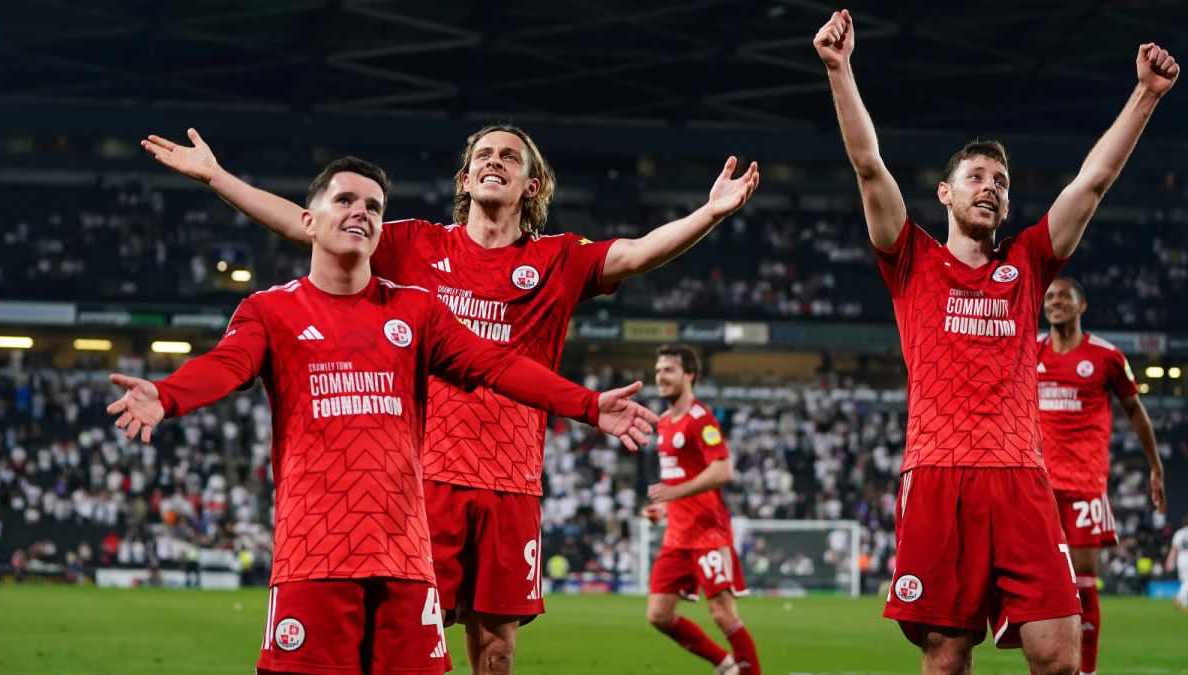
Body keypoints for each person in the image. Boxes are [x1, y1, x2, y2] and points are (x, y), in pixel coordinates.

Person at [140, 124, 758, 674]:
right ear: (465, 178)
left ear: (532, 184)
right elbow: (312, 224)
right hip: (422, 482)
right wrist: (218, 178)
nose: (495, 161)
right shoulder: (413, 246)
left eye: (510, 157)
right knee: (409, 639)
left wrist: (708, 215)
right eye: (483, 154)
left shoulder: (557, 259)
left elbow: (637, 253)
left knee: (498, 651)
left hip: (512, 481)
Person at [813, 8, 1179, 675]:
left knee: (1060, 653)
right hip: (939, 472)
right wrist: (840, 70)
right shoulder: (912, 259)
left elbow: (1092, 182)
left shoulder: (1030, 264)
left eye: (1002, 182)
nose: (992, 187)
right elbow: (869, 168)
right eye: (978, 177)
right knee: (947, 655)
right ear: (946, 193)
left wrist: (1145, 95)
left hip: (1020, 476)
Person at [1038, 276, 1166, 675]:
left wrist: (1156, 467)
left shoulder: (1106, 356)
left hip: (1085, 486)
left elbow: (1135, 412)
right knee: (1042, 586)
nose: (1055, 302)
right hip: (1038, 486)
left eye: (1064, 296)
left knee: (1083, 583)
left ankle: (1087, 670)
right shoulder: (1031, 351)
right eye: (1050, 297)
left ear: (1081, 306)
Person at [642, 345, 759, 675]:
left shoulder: (701, 419)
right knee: (659, 615)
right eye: (658, 370)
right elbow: (680, 477)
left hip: (708, 532)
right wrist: (663, 507)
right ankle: (725, 664)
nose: (660, 377)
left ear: (689, 375)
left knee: (722, 613)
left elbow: (722, 470)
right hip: (676, 535)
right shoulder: (664, 423)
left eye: (668, 370)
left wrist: (675, 492)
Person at [1169, 516, 1188, 612]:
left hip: (1181, 559)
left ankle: (1185, 605)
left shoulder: (1179, 533)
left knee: (1185, 581)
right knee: (1187, 582)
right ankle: (1179, 599)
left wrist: (1169, 561)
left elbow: (1174, 549)